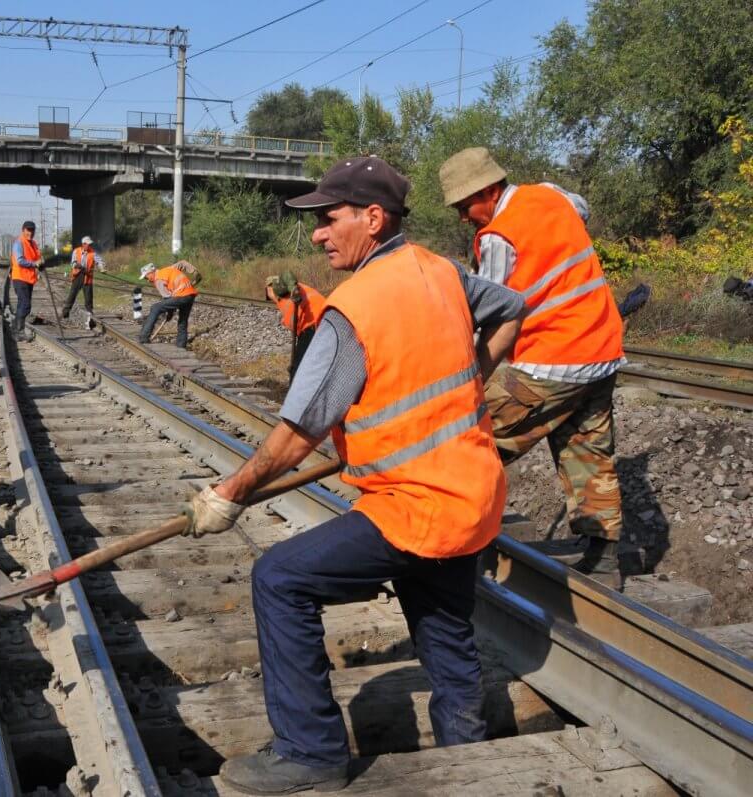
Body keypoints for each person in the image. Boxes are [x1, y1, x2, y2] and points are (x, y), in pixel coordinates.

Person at [188, 157, 526, 794]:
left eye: (328, 218)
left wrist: (226, 494)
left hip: (414, 503)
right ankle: (470, 759)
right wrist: (469, 381)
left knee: (280, 577)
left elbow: (295, 437)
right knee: (445, 631)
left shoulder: (354, 308)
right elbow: (513, 307)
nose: (317, 233)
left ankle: (310, 752)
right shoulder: (442, 271)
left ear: (373, 218)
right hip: (472, 498)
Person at [439, 147, 627, 581]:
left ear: (488, 189)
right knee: (587, 450)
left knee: (471, 441)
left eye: (466, 206)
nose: (463, 217)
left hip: (552, 362)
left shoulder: (498, 237)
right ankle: (604, 560)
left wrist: (466, 376)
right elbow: (582, 209)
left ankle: (454, 541)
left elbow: (489, 311)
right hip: (600, 352)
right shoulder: (551, 194)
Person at [265, 270, 326, 381]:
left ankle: (296, 396)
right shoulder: (285, 298)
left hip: (313, 326)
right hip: (320, 325)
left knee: (298, 369)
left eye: (268, 293)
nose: (269, 297)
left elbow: (286, 274)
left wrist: (293, 289)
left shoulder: (280, 287)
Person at [138, 260, 200, 348]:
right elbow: (181, 263)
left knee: (155, 308)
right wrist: (194, 272)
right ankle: (181, 345)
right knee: (182, 320)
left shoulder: (158, 279)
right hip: (190, 295)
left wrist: (169, 314)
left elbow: (168, 298)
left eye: (146, 277)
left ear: (151, 272)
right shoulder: (167, 270)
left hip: (181, 295)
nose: (147, 280)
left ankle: (144, 337)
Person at [10, 220, 43, 341]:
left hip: (28, 278)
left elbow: (38, 257)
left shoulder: (33, 243)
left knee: (22, 305)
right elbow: (20, 260)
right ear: (23, 230)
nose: (30, 232)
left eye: (32, 230)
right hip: (20, 277)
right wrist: (35, 264)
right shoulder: (19, 243)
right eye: (28, 230)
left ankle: (17, 331)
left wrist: (41, 263)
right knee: (25, 305)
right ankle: (18, 331)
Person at [62, 235, 104, 327]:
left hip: (87, 277)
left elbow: (99, 261)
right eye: (87, 244)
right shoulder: (76, 251)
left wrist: (101, 268)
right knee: (72, 296)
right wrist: (78, 266)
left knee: (88, 300)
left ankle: (90, 319)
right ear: (83, 244)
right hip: (77, 276)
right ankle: (65, 314)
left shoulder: (92, 253)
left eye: (89, 244)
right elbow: (73, 263)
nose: (89, 245)